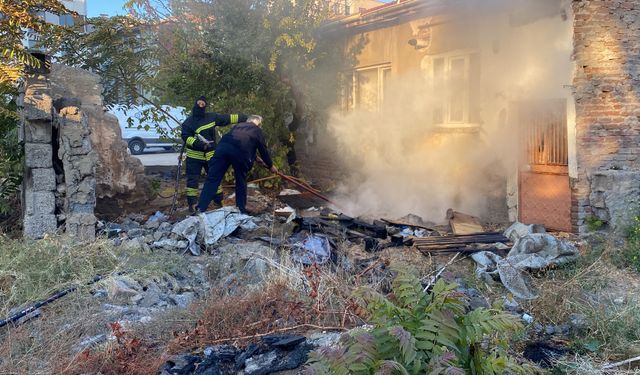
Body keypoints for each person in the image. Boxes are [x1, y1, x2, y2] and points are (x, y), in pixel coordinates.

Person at [198, 115, 278, 214]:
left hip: (221, 150)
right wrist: (270, 166)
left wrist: (256, 158)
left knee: (212, 179)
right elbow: (263, 150)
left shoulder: (238, 126)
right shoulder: (256, 130)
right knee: (240, 180)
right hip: (240, 153)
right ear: (259, 124)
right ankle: (241, 210)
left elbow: (241, 142)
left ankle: (200, 209)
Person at [180, 96, 247, 213]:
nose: (201, 106)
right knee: (192, 181)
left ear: (205, 106)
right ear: (195, 104)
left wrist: (245, 118)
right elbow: (186, 138)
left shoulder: (211, 117)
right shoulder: (188, 123)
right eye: (199, 103)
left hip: (210, 154)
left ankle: (218, 201)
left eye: (203, 104)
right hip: (194, 156)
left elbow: (227, 118)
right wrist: (200, 144)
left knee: (215, 178)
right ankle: (192, 204)